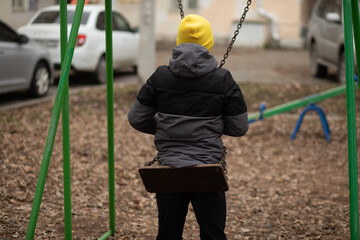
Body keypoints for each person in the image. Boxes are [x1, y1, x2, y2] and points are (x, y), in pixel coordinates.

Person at [128, 14, 248, 240]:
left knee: (168, 234)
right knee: (213, 234)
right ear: (209, 43)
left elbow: (136, 118)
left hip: (170, 171)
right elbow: (240, 126)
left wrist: (167, 126)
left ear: (178, 41)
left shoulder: (160, 77)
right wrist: (210, 127)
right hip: (207, 170)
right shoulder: (223, 80)